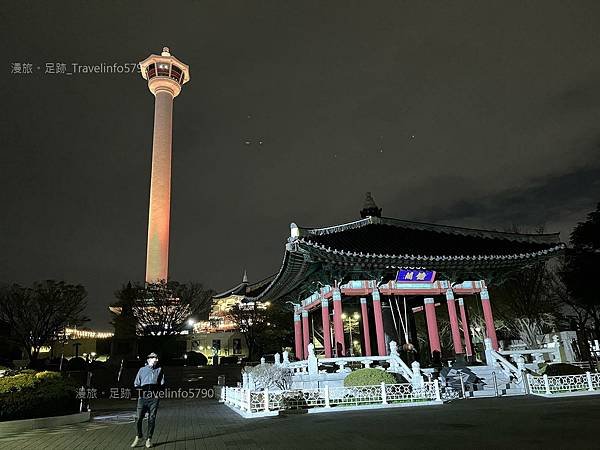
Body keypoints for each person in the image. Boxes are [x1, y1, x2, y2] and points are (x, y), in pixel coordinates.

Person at [130, 352, 165, 448]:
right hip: (142, 397)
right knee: (138, 418)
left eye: (157, 358)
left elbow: (162, 384)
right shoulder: (142, 370)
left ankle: (149, 439)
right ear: (149, 359)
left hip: (154, 398)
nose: (156, 360)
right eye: (154, 358)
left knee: (152, 418)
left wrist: (158, 393)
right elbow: (136, 383)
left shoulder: (159, 370)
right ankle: (139, 435)